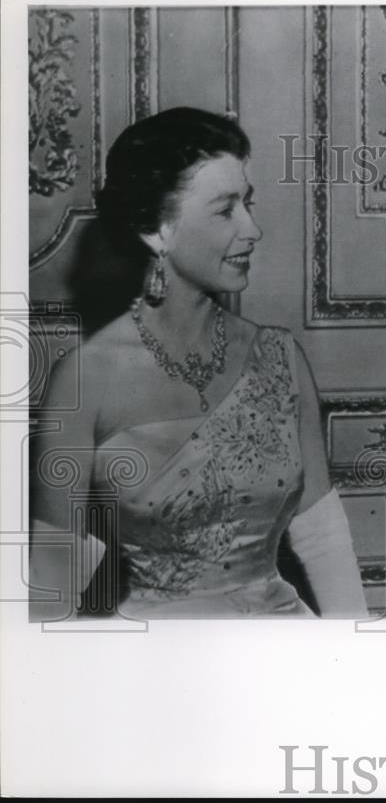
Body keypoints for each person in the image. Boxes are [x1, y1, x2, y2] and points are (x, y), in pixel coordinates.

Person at [29, 107, 367, 620]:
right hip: (161, 667)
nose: (252, 229)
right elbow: (49, 597)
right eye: (225, 209)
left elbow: (322, 538)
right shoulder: (85, 380)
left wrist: (359, 669)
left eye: (247, 204)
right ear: (157, 231)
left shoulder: (281, 358)